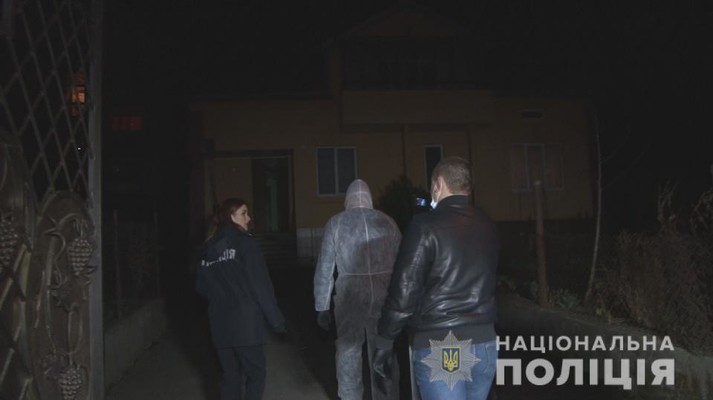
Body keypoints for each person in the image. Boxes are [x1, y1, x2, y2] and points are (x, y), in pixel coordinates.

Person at [372, 156, 500, 400]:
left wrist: (385, 341)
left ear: (439, 184)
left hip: (442, 344)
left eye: (432, 186)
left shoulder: (424, 226)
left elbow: (405, 289)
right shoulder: (488, 225)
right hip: (486, 343)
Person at [313, 179, 402, 400]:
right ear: (369, 198)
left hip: (350, 298)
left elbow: (325, 268)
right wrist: (402, 301)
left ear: (347, 199)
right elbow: (402, 265)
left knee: (348, 354)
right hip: (383, 297)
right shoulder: (387, 222)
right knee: (383, 352)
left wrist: (322, 306)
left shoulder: (336, 223)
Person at [196, 198, 285, 400]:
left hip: (219, 325)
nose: (249, 218)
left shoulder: (208, 249)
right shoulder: (246, 244)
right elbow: (261, 285)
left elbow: (201, 287)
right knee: (256, 375)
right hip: (246, 326)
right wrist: (276, 321)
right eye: (244, 213)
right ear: (231, 216)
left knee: (230, 377)